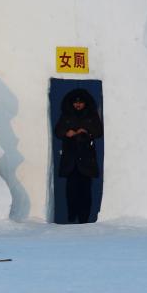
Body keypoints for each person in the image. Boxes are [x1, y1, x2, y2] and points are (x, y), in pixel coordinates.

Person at [54, 89, 103, 224]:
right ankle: (72, 216)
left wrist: (86, 131)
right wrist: (66, 132)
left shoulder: (92, 116)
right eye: (76, 103)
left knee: (85, 190)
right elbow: (57, 131)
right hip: (70, 159)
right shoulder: (66, 115)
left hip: (86, 159)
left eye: (81, 103)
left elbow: (98, 131)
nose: (78, 105)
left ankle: (84, 218)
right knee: (71, 190)